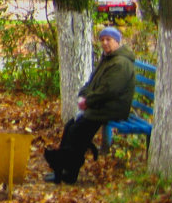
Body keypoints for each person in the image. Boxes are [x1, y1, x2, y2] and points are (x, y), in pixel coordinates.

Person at [44, 26, 135, 184]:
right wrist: (83, 95)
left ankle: (69, 173)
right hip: (101, 104)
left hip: (113, 107)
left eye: (109, 40)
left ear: (117, 41)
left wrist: (88, 101)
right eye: (102, 40)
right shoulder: (108, 58)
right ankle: (63, 168)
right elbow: (92, 82)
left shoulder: (120, 64)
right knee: (71, 127)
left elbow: (110, 91)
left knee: (78, 131)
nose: (105, 43)